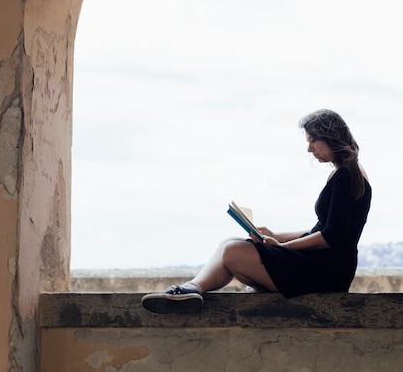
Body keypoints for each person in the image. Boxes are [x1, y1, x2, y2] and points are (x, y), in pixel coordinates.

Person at [141, 109, 372, 314]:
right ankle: (191, 290)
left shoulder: (346, 177)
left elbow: (330, 237)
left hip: (326, 271)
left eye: (313, 140)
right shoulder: (346, 174)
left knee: (233, 250)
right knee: (230, 242)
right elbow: (322, 229)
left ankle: (188, 291)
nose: (309, 148)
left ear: (329, 137)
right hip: (327, 266)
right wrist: (276, 235)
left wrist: (282, 247)